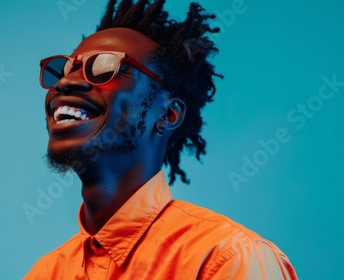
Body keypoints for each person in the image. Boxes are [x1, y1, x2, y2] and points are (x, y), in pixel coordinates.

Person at [25, 0, 298, 279]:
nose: (65, 82)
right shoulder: (45, 273)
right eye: (67, 68)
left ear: (167, 113)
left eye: (104, 66)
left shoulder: (227, 259)